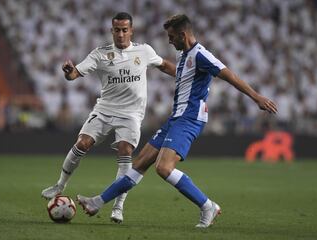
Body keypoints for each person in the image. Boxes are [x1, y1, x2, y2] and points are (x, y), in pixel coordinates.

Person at [75, 14, 278, 228]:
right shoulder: (183, 55)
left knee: (163, 168)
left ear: (183, 35)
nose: (169, 41)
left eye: (172, 37)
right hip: (176, 118)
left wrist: (257, 97)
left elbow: (229, 75)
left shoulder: (201, 55)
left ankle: (208, 205)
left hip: (189, 118)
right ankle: (97, 202)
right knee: (139, 164)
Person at [41, 12, 176, 224]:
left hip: (131, 114)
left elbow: (164, 65)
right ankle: (60, 185)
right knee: (82, 143)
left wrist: (184, 77)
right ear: (111, 31)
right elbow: (75, 74)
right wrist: (68, 72)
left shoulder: (144, 50)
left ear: (131, 31)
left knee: (126, 150)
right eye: (117, 30)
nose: (121, 34)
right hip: (104, 109)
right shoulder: (100, 54)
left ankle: (118, 205)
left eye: (124, 30)